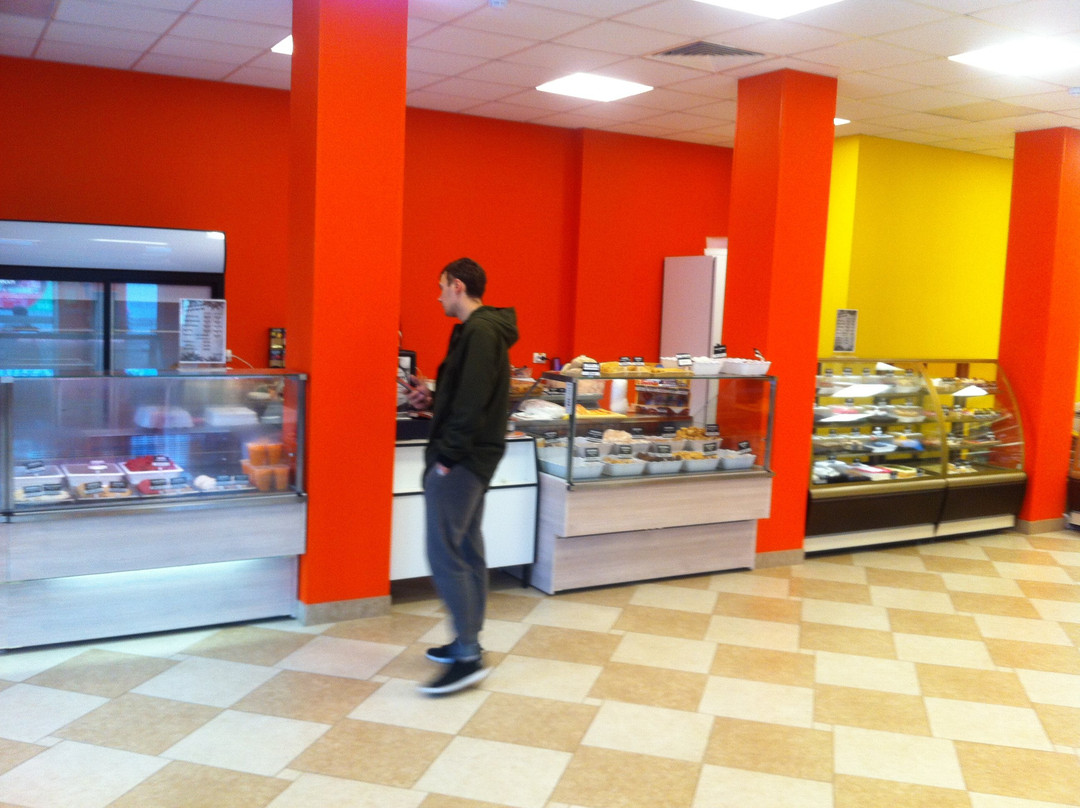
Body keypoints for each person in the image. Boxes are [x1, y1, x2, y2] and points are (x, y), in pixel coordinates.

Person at [405, 257, 518, 695]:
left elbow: (472, 404)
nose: (437, 297)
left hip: (463, 461)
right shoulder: (478, 331)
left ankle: (468, 656)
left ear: (457, 286)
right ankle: (466, 641)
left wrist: (447, 459)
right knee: (466, 548)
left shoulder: (481, 332)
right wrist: (430, 398)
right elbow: (468, 393)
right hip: (472, 458)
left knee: (446, 552)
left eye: (440, 287)